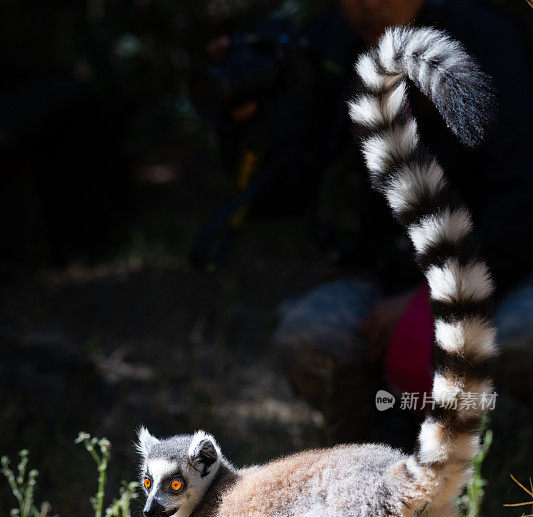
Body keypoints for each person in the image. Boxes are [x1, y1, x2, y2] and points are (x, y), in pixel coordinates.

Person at [208, 0, 533, 446]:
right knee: (310, 335)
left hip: (506, 271)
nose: (369, 3)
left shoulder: (486, 39)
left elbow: (523, 203)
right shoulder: (327, 45)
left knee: (523, 336)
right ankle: (374, 458)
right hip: (391, 278)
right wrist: (245, 125)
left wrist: (432, 297)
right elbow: (283, 194)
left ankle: (508, 446)